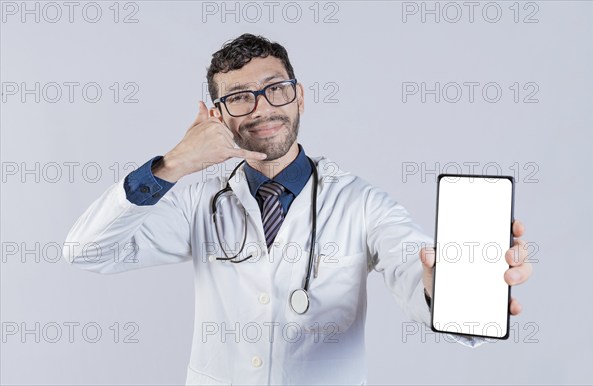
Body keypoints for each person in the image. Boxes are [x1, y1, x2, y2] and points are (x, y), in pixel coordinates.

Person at [63, 33, 532, 385]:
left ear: (300, 96)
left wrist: (441, 287)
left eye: (276, 89)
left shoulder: (361, 204)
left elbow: (414, 267)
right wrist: (172, 165)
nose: (263, 108)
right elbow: (87, 252)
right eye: (239, 97)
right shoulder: (194, 202)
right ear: (217, 115)